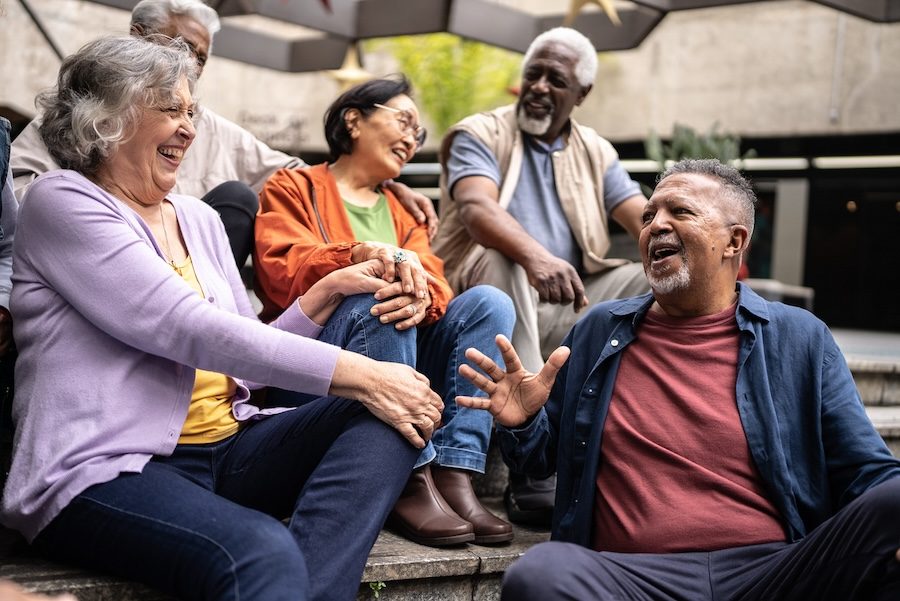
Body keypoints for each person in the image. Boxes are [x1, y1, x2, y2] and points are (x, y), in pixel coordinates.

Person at [0, 35, 443, 601]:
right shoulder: (61, 201)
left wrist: (328, 292)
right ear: (104, 119)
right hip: (102, 472)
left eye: (191, 111)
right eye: (170, 110)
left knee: (401, 413)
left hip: (230, 451)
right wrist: (365, 375)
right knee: (259, 549)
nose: (189, 127)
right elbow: (186, 327)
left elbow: (248, 360)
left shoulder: (198, 218)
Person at [456, 158, 900, 600]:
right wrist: (522, 421)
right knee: (541, 574)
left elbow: (867, 470)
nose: (654, 226)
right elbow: (537, 462)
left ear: (734, 241)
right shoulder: (598, 330)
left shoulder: (799, 337)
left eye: (680, 212)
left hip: (774, 573)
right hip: (631, 578)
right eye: (649, 215)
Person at [254, 76, 516, 547]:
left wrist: (421, 293)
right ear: (354, 119)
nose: (412, 139)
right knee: (374, 291)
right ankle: (410, 476)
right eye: (404, 121)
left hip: (400, 349)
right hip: (316, 367)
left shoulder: (405, 211)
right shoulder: (292, 187)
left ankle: (455, 470)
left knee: (488, 301)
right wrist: (359, 256)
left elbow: (436, 281)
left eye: (418, 134)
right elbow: (280, 270)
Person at [9, 0, 438, 269]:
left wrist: (383, 185)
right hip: (93, 259)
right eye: (178, 47)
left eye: (199, 57)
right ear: (137, 38)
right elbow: (20, 197)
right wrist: (114, 211)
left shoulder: (208, 128)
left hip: (187, 281)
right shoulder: (80, 115)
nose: (189, 65)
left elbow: (295, 176)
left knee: (234, 198)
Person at [433, 26, 650, 524]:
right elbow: (474, 208)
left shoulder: (597, 151)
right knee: (505, 258)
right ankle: (531, 456)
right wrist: (536, 256)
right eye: (533, 74)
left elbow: (641, 216)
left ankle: (633, 422)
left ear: (582, 94)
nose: (539, 87)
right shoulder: (479, 132)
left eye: (556, 80)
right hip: (484, 297)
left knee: (651, 279)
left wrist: (689, 251)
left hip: (567, 300)